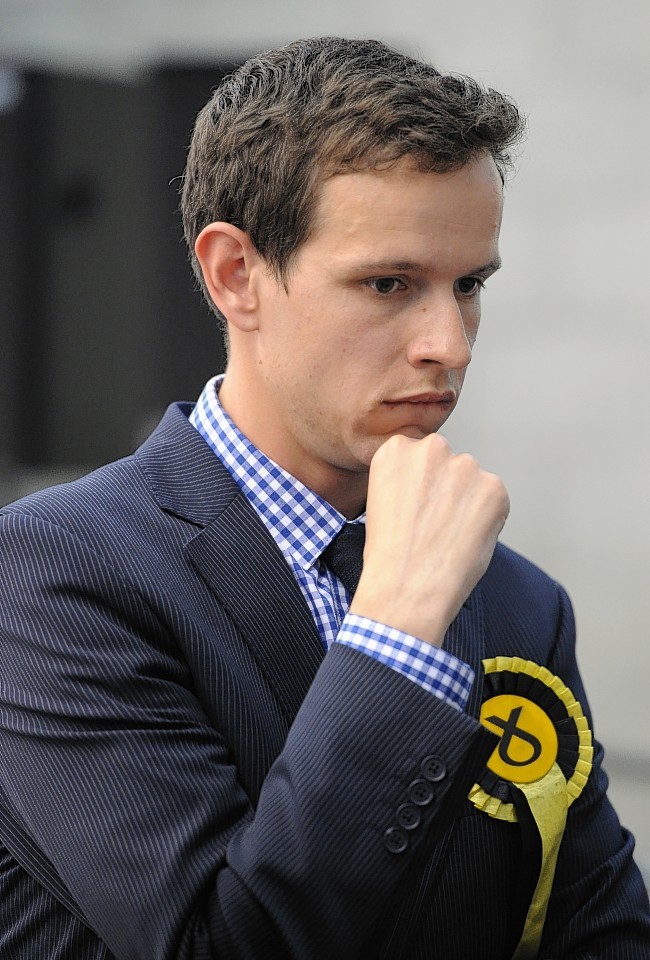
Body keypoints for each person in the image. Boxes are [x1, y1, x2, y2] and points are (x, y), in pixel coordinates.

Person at [0, 36, 648, 960]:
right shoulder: (51, 573)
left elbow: (599, 933)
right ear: (235, 275)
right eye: (389, 284)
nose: (451, 343)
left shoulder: (519, 601)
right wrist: (398, 630)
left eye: (469, 285)